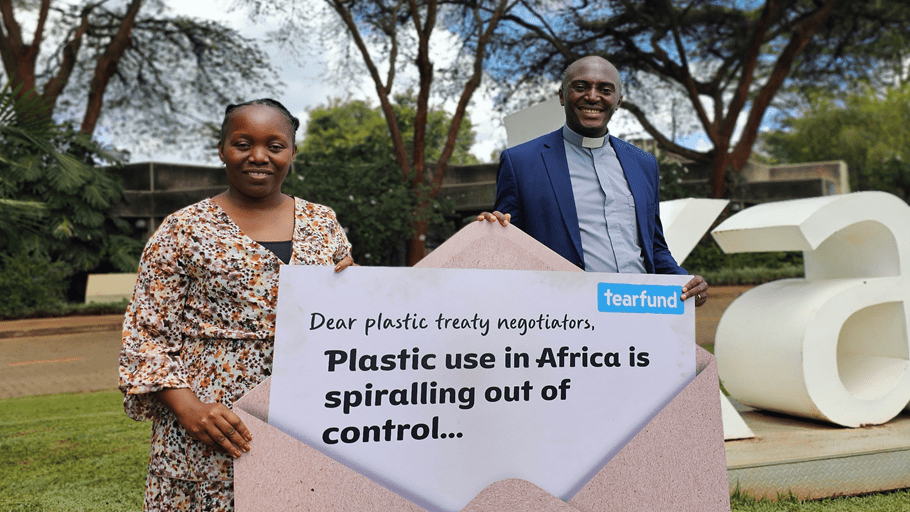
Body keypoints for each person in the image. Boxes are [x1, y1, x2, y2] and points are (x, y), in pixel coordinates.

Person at [118, 98, 354, 510]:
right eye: (242, 143)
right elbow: (144, 335)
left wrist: (489, 239)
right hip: (213, 425)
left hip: (311, 419)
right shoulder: (183, 229)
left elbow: (360, 318)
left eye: (275, 145)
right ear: (222, 148)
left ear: (293, 153)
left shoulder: (323, 222)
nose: (258, 156)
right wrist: (189, 409)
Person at [478, 56, 708, 305]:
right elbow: (508, 245)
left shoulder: (643, 164)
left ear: (618, 101)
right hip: (567, 316)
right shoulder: (521, 162)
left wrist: (684, 281)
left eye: (605, 90)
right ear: (562, 95)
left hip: (641, 311)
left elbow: (653, 246)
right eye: (580, 86)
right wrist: (491, 230)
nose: (592, 96)